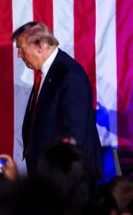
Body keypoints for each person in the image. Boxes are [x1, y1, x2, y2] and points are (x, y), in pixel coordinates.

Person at [11, 21, 103, 179]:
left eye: (21, 48)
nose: (19, 55)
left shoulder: (69, 75)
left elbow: (75, 133)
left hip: (65, 177)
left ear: (40, 46)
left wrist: (60, 179)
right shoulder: (49, 73)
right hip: (49, 173)